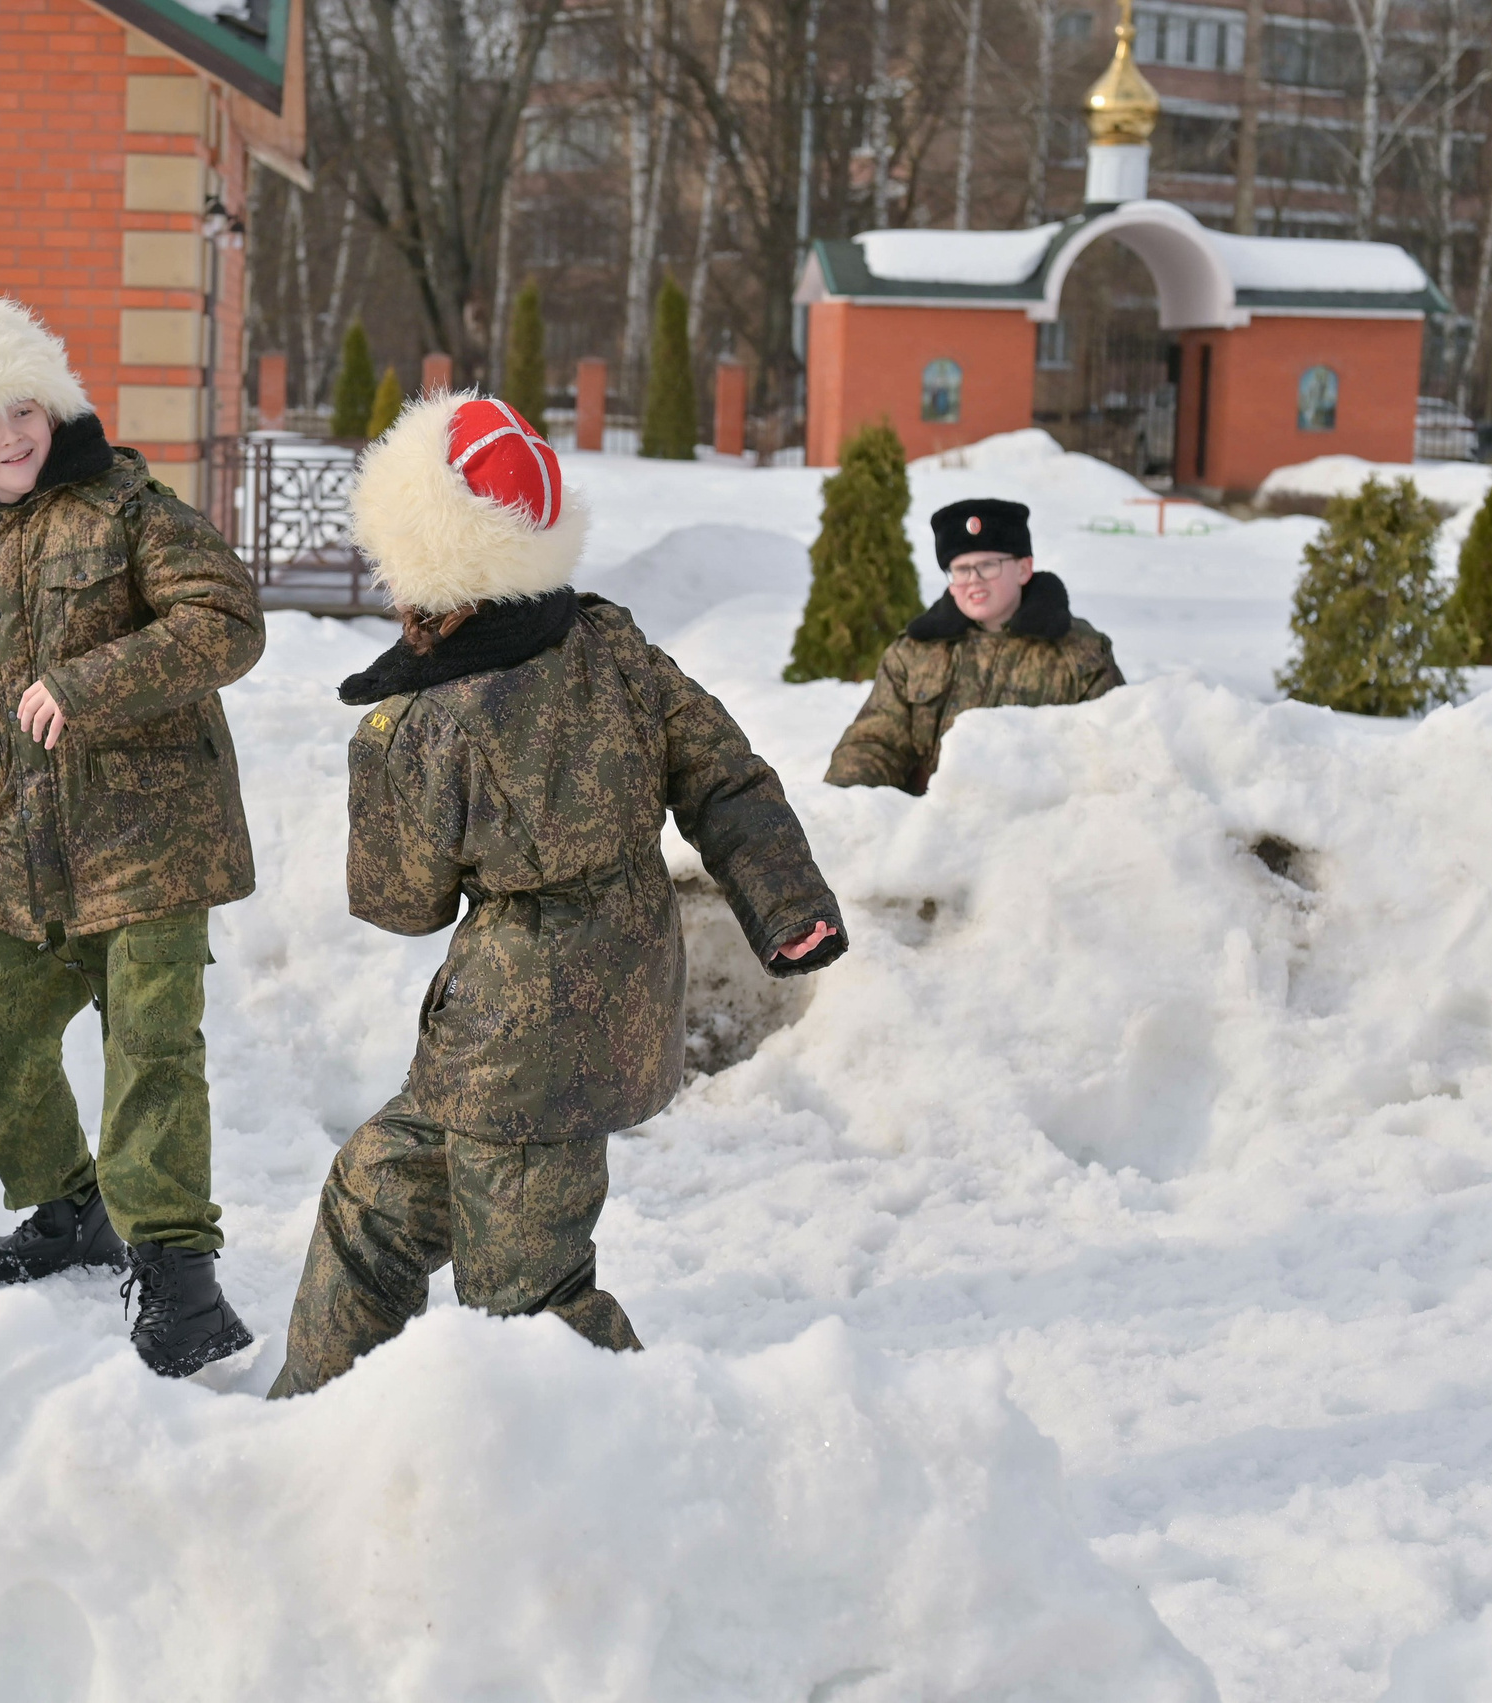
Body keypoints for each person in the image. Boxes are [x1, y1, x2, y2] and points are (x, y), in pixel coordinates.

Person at [269, 395, 847, 1398]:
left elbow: (402, 904)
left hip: (519, 1044)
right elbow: (724, 776)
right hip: (590, 1016)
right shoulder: (611, 644)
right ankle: (313, 1431)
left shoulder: (426, 720)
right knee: (372, 1196)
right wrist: (787, 902)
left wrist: (379, 758)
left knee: (528, 1307)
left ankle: (642, 1456)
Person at [0, 291, 267, 1379]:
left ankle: (179, 1277)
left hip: (153, 832)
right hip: (34, 853)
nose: (7, 437)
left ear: (52, 403)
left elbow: (225, 620)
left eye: (19, 410)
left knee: (150, 1049)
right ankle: (74, 1207)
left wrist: (90, 682)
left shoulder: (127, 505)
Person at [824, 498, 1123, 793]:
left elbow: (1110, 754)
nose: (973, 581)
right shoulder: (914, 653)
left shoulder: (1081, 656)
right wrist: (845, 805)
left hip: (1041, 827)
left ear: (1023, 568)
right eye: (961, 570)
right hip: (926, 828)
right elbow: (875, 742)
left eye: (987, 566)